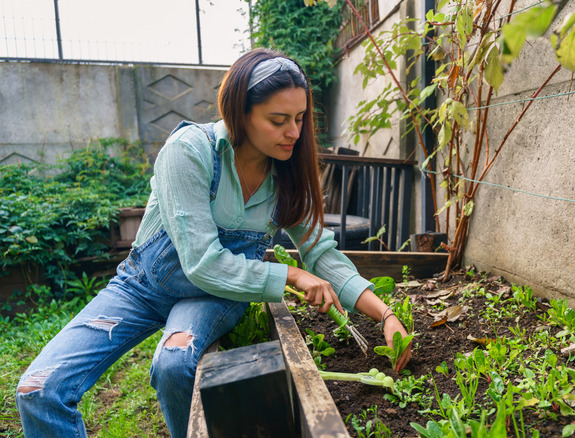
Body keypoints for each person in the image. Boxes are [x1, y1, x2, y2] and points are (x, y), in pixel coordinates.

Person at [15, 48, 411, 438]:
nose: (294, 132)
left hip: (215, 294)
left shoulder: (287, 174)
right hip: (143, 286)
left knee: (173, 365)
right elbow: (202, 261)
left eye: (300, 118)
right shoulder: (189, 152)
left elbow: (320, 252)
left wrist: (386, 315)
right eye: (278, 120)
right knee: (39, 390)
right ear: (240, 113)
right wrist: (290, 275)